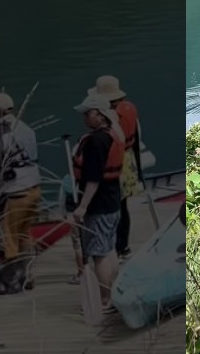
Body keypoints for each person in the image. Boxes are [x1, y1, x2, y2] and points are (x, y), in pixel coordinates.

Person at [0, 91, 42, 295]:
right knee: (24, 234)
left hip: (14, 193)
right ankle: (28, 275)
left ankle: (11, 281)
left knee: (8, 238)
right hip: (34, 188)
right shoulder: (26, 129)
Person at [70, 94, 126, 316]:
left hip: (99, 205)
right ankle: (114, 294)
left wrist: (82, 206)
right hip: (112, 201)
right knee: (109, 249)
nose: (85, 118)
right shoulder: (113, 134)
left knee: (99, 254)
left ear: (101, 115)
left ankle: (105, 300)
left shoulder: (96, 142)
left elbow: (93, 178)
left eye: (89, 114)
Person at [88, 75, 142, 258]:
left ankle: (115, 247)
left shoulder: (111, 117)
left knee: (114, 207)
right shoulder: (129, 108)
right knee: (123, 206)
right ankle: (123, 246)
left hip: (116, 161)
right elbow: (136, 138)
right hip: (129, 159)